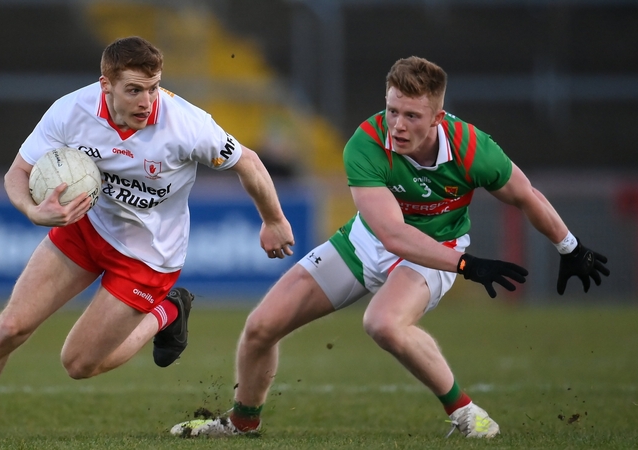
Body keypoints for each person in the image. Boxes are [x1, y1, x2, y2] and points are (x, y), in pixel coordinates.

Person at [170, 56, 610, 439]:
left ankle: (466, 413)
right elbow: (391, 234)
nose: (397, 125)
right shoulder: (365, 143)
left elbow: (525, 195)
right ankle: (242, 423)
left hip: (436, 248)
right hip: (371, 242)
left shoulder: (473, 148)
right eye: (392, 110)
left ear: (438, 118)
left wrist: (570, 247)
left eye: (412, 116)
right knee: (261, 327)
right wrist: (467, 265)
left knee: (383, 324)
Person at [0, 36, 295, 444]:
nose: (145, 101)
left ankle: (166, 312)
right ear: (106, 86)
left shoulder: (186, 125)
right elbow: (17, 174)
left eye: (152, 88)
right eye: (133, 90)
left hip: (148, 256)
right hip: (86, 228)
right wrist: (33, 211)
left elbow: (250, 163)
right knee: (10, 327)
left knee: (78, 363)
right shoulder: (71, 111)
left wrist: (273, 220)